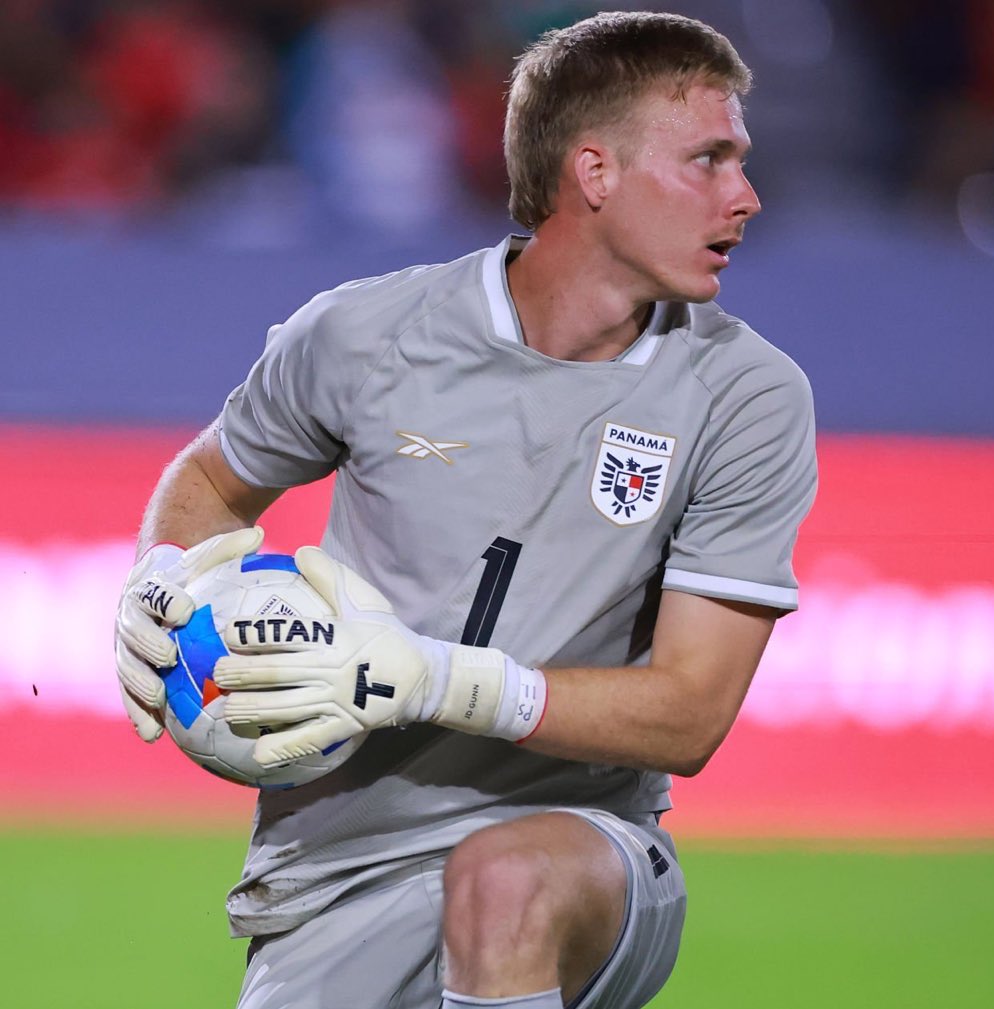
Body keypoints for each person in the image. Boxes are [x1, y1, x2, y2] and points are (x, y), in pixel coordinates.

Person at [114, 11, 817, 1009]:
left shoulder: (745, 394)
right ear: (594, 172)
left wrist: (435, 679)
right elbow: (213, 481)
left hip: (585, 850)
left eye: (738, 161)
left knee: (503, 881)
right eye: (708, 159)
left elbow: (691, 710)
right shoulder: (361, 335)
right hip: (336, 875)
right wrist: (159, 576)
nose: (744, 196)